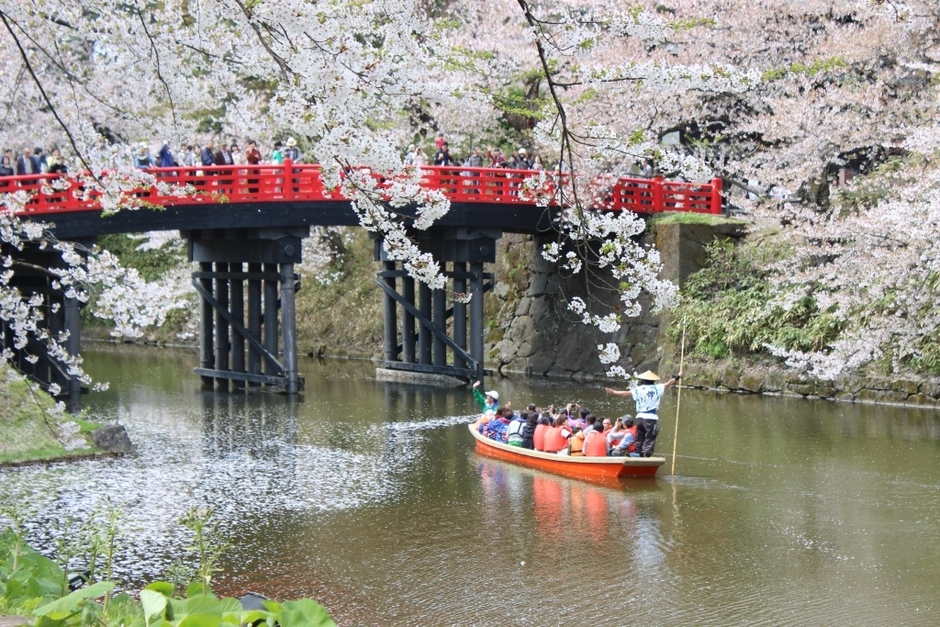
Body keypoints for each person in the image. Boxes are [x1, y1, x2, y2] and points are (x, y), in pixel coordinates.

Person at [605, 370, 682, 457]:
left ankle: (638, 453)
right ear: (653, 381)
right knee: (650, 436)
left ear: (643, 380)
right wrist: (678, 376)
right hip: (650, 417)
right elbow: (669, 383)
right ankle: (647, 455)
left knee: (639, 436)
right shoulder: (657, 388)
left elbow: (625, 393)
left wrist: (613, 392)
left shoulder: (639, 389)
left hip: (640, 418)